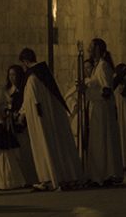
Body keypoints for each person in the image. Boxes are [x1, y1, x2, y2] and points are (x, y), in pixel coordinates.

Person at [19, 48, 82, 191]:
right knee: (55, 147)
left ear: (25, 62)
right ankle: (64, 176)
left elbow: (30, 100)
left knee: (43, 147)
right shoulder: (44, 75)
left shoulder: (32, 78)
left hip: (39, 119)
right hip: (49, 119)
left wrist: (21, 114)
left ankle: (47, 178)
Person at [68, 39, 124, 185]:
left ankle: (105, 174)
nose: (88, 49)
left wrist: (87, 90)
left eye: (91, 47)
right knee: (98, 143)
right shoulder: (97, 66)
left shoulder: (103, 66)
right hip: (96, 109)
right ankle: (99, 174)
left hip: (102, 110)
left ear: (98, 49)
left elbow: (106, 90)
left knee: (102, 142)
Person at [0, 64, 37, 190]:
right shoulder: (6, 90)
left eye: (14, 74)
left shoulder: (24, 90)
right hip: (9, 123)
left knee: (24, 150)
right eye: (10, 75)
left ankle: (29, 178)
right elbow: (0, 106)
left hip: (21, 123)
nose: (12, 77)